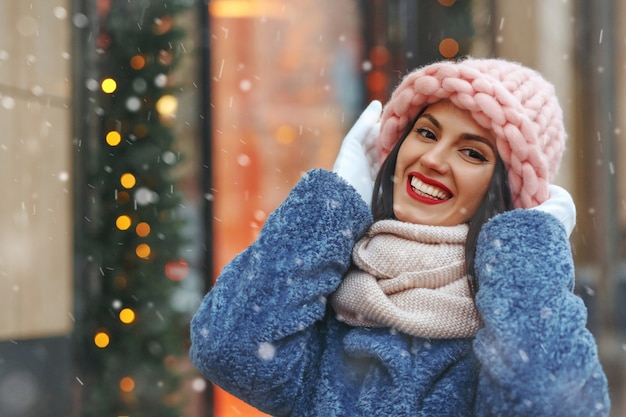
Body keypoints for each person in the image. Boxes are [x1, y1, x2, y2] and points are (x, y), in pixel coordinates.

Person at [189, 57, 610, 416]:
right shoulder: (331, 288)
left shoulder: (512, 315)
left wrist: (527, 256)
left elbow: (550, 405)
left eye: (472, 152)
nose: (431, 159)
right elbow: (228, 351)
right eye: (426, 132)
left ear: (506, 193)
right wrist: (332, 204)